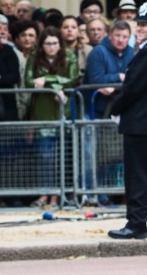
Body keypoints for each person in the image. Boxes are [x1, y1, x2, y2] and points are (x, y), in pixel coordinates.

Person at [107, 1, 147, 240]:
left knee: (138, 175)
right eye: (140, 23)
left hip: (140, 122)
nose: (141, 28)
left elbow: (132, 88)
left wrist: (116, 107)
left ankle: (136, 223)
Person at [25, 27, 79, 207]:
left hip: (62, 112)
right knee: (44, 157)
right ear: (41, 45)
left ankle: (57, 195)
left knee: (61, 157)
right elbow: (28, 81)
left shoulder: (69, 55)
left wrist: (47, 81)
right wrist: (55, 83)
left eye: (55, 43)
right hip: (42, 112)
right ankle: (43, 194)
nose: (51, 47)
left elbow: (72, 79)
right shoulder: (34, 57)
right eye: (47, 44)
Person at [83, 20, 134, 119]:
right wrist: (118, 77)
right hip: (95, 110)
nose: (120, 40)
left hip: (122, 110)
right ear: (110, 35)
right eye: (117, 35)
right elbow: (95, 80)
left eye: (124, 37)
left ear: (129, 38)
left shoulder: (132, 53)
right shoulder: (98, 52)